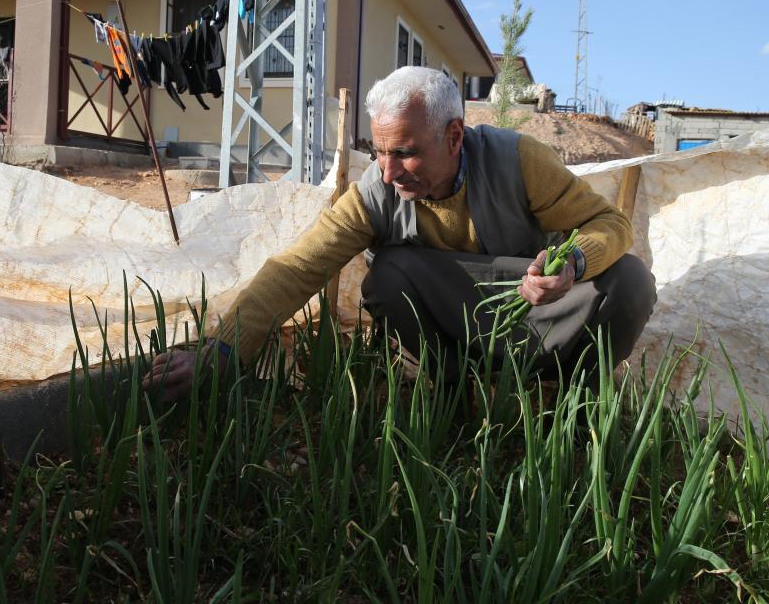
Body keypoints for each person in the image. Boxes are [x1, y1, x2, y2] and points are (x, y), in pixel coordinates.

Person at [144, 66, 656, 400]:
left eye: (405, 152)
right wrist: (223, 353)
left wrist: (573, 265)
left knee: (630, 281)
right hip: (461, 324)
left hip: (535, 311)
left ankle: (572, 398)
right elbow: (299, 265)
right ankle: (458, 391)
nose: (389, 170)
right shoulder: (377, 190)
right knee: (388, 275)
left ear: (454, 136)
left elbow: (609, 223)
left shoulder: (518, 160)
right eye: (381, 151)